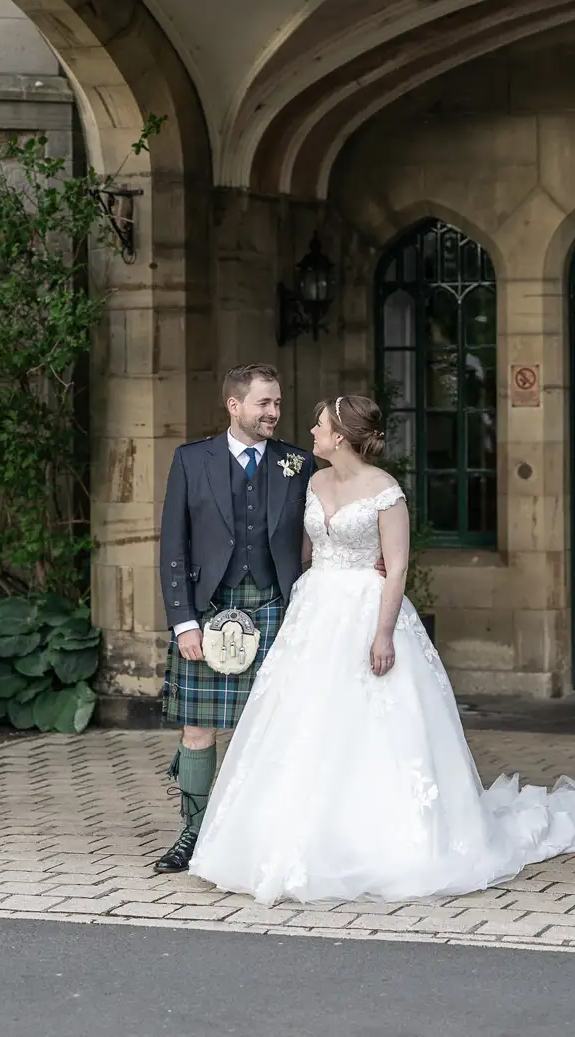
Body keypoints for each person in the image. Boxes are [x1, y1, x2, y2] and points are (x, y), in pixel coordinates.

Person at [188, 394, 575, 903]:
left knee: (375, 723)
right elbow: (305, 551)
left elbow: (397, 567)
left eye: (318, 425)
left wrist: (383, 634)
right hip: (315, 611)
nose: (310, 432)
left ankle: (386, 842)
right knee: (304, 720)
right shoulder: (312, 482)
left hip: (367, 609)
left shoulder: (386, 491)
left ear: (339, 436)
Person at [152, 363, 318, 874]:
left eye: (277, 402)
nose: (274, 412)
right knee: (198, 729)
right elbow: (173, 546)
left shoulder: (299, 462)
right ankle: (193, 834)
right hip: (210, 611)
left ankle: (260, 835)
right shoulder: (191, 460)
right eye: (264, 403)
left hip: (276, 611)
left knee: (272, 729)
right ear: (235, 406)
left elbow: (323, 528)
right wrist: (184, 622)